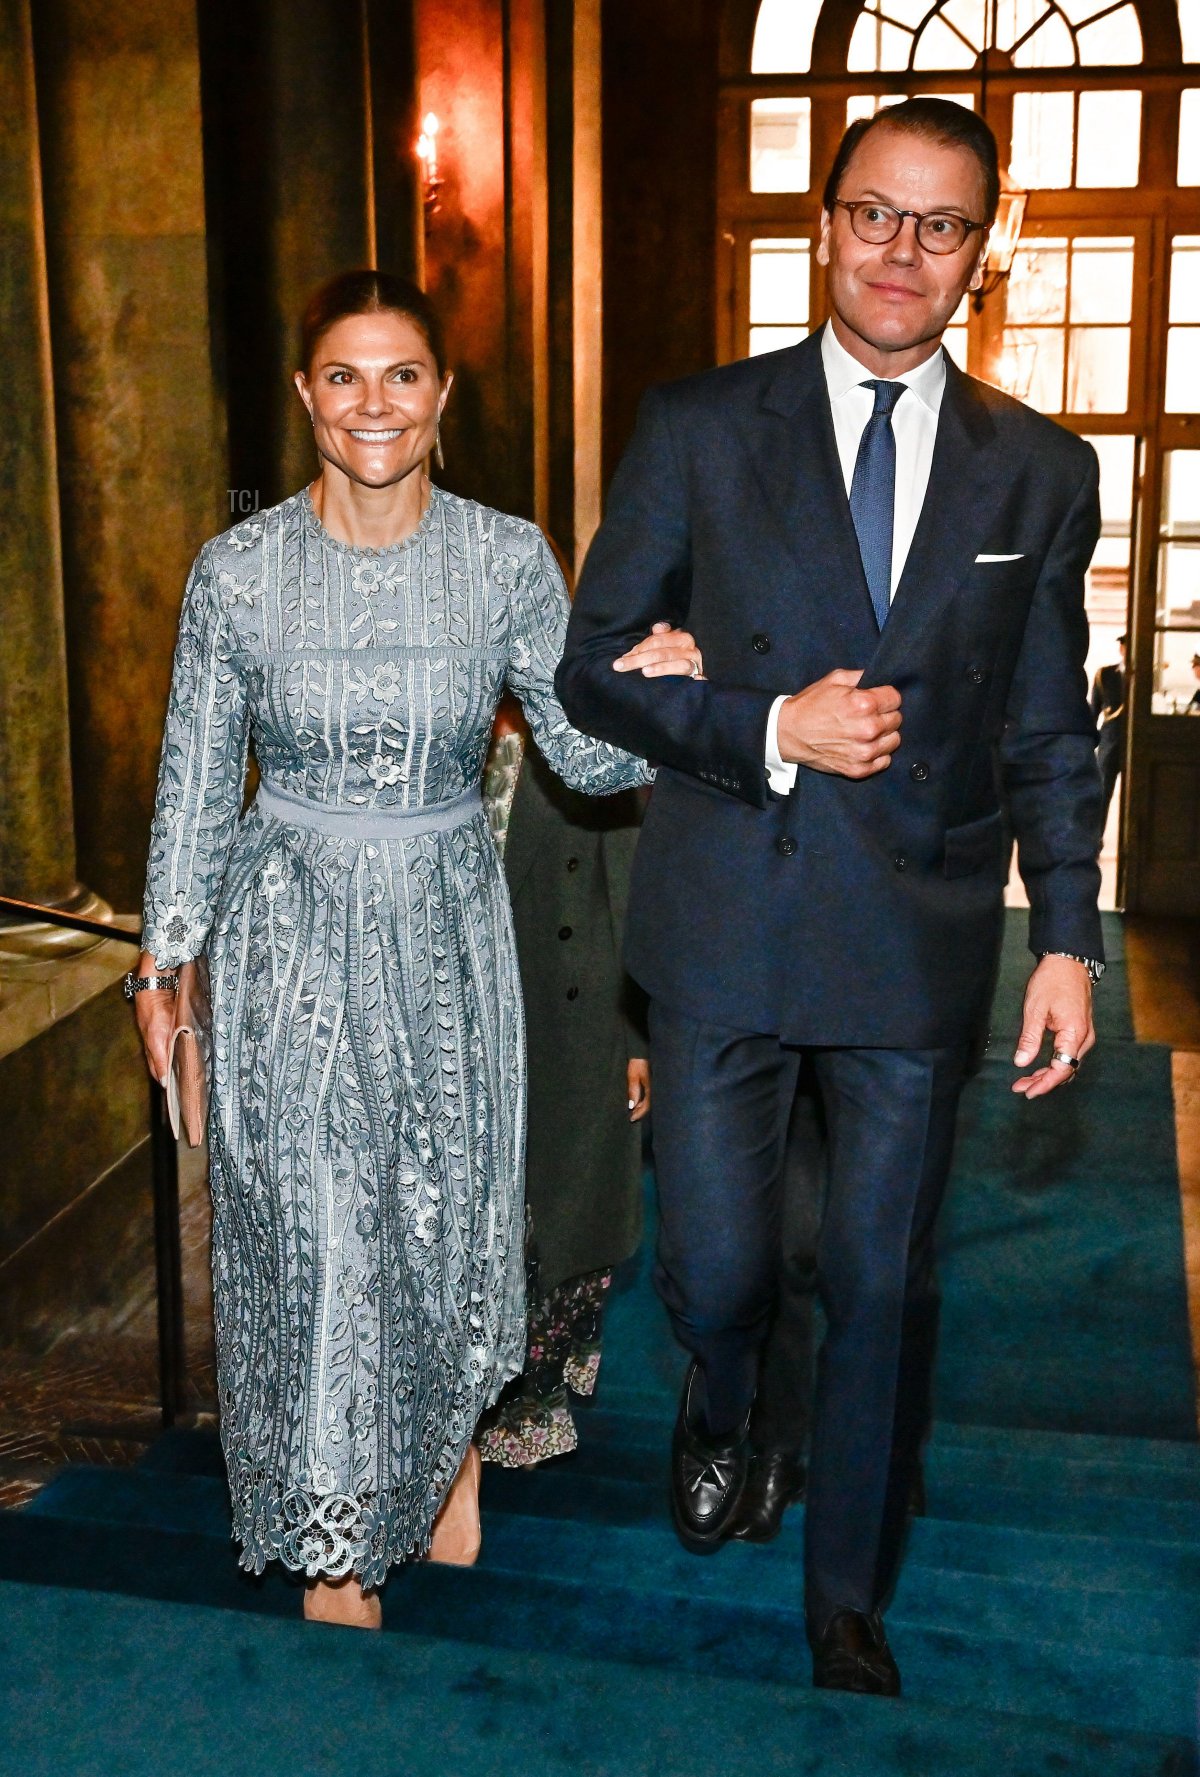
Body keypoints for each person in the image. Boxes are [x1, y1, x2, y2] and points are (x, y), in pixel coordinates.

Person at [557, 99, 1104, 1697]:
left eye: (940, 227)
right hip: (727, 921)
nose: (902, 251)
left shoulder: (1039, 473)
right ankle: (728, 1400)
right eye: (877, 213)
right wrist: (763, 726)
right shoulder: (703, 425)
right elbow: (594, 668)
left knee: (878, 1277)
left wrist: (1065, 931)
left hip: (919, 941)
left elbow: (1048, 725)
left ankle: (847, 1597)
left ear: (977, 260)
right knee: (721, 1270)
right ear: (824, 225)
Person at [130, 271, 695, 1629]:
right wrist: (163, 964)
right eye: (342, 376)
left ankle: (441, 1462)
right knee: (314, 1235)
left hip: (448, 933)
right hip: (288, 942)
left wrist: (663, 695)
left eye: (400, 375)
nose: (371, 404)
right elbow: (198, 778)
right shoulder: (242, 570)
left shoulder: (504, 556)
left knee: (443, 1229)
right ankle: (335, 1550)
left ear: (442, 395)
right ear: (305, 399)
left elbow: (574, 747)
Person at [476, 700, 649, 1465]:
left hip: (572, 1007)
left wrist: (639, 1034)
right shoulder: (433, 729)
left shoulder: (584, 733)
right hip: (465, 1010)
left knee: (563, 1201)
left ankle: (532, 1396)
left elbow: (628, 878)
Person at [1091, 634, 1125, 822]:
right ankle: (1096, 838)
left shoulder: (1148, 675)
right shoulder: (1105, 675)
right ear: (1122, 649)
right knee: (1102, 794)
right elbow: (1094, 711)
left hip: (1137, 746)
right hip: (1110, 743)